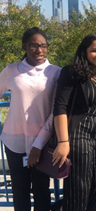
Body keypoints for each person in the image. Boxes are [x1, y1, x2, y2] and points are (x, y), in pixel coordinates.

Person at [52, 34, 96, 211]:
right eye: (94, 50)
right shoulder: (72, 72)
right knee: (78, 189)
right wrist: (63, 142)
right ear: (85, 52)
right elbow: (60, 107)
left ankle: (63, 207)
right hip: (77, 136)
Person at [0, 27, 61, 211]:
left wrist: (38, 144)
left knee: (42, 191)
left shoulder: (55, 72)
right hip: (14, 142)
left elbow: (56, 112)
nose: (40, 50)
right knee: (20, 191)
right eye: (34, 45)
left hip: (42, 143)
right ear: (24, 46)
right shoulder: (11, 71)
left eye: (44, 46)